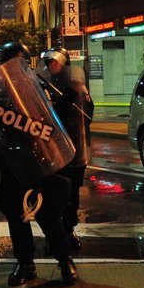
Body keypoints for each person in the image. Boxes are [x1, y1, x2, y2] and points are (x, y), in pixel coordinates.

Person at [0, 42, 77, 287]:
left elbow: (52, 127)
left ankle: (64, 260)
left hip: (39, 165)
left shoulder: (37, 91)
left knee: (49, 216)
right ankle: (25, 263)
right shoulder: (2, 95)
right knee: (17, 217)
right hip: (13, 168)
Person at [40, 47, 93, 252]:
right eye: (49, 62)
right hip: (54, 149)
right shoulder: (44, 86)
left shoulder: (75, 86)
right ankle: (54, 234)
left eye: (56, 61)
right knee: (53, 194)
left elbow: (88, 113)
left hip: (75, 149)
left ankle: (69, 229)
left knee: (72, 194)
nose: (52, 65)